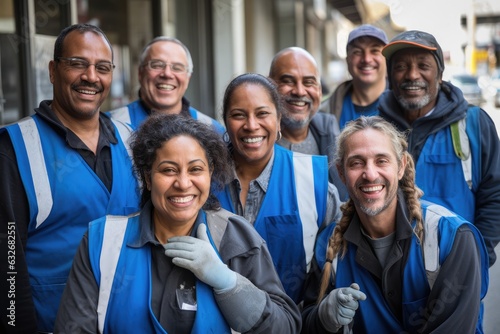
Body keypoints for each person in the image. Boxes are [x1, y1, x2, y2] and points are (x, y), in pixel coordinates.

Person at [55, 114, 301, 333]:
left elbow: (285, 326)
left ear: (210, 173)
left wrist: (230, 285)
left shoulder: (236, 238)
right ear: (147, 177)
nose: (183, 183)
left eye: (195, 169)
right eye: (168, 170)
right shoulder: (102, 241)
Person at [0, 24, 141, 333]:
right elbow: (8, 258)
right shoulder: (15, 148)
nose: (91, 77)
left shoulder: (132, 142)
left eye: (102, 68)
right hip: (51, 321)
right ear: (53, 70)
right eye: (78, 63)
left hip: (127, 321)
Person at [301, 116, 489, 333]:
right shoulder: (328, 245)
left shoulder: (451, 237)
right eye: (356, 162)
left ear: (401, 167)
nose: (370, 174)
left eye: (381, 161)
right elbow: (305, 324)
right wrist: (323, 317)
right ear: (341, 173)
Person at [216, 73, 342, 304]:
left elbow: (332, 269)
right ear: (225, 120)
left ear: (278, 119)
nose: (251, 125)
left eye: (262, 113)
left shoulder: (314, 183)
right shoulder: (202, 178)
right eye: (238, 115)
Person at [378, 30, 500, 267]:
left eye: (423, 65)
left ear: (440, 74)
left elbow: (495, 195)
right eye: (401, 66)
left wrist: (477, 257)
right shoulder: (375, 129)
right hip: (391, 277)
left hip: (457, 269)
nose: (412, 75)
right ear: (391, 76)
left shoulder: (474, 124)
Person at [268, 46, 348, 201]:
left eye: (309, 82)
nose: (299, 91)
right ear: (269, 86)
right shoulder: (254, 142)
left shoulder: (332, 137)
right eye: (288, 81)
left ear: (319, 89)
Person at [107, 36, 224, 133]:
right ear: (140, 73)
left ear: (188, 78)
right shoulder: (110, 126)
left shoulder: (213, 130)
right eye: (157, 65)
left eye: (177, 68)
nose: (167, 74)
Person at [320, 24, 388, 129]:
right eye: (357, 52)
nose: (366, 59)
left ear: (386, 58)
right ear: (347, 60)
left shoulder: (405, 105)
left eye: (375, 51)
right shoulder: (324, 112)